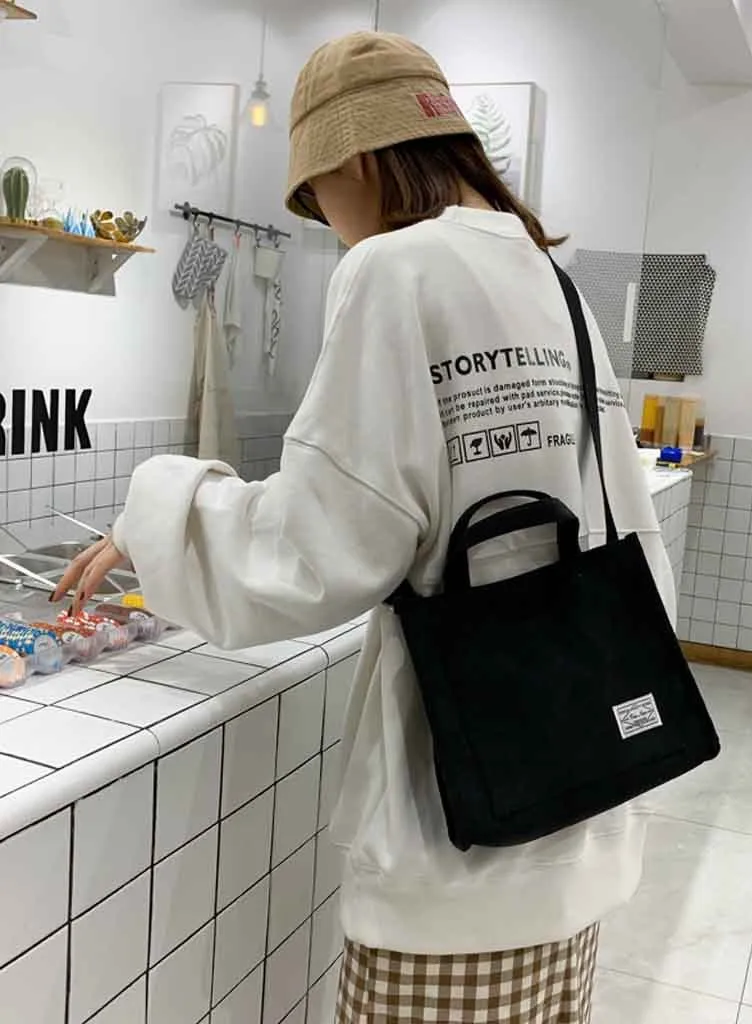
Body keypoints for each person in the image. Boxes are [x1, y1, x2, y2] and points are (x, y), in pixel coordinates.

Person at [56, 31, 676, 1024]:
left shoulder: (395, 270)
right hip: (576, 799)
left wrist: (155, 508)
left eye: (314, 198)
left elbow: (319, 549)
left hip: (460, 836)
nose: (326, 225)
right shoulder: (552, 283)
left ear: (353, 156)